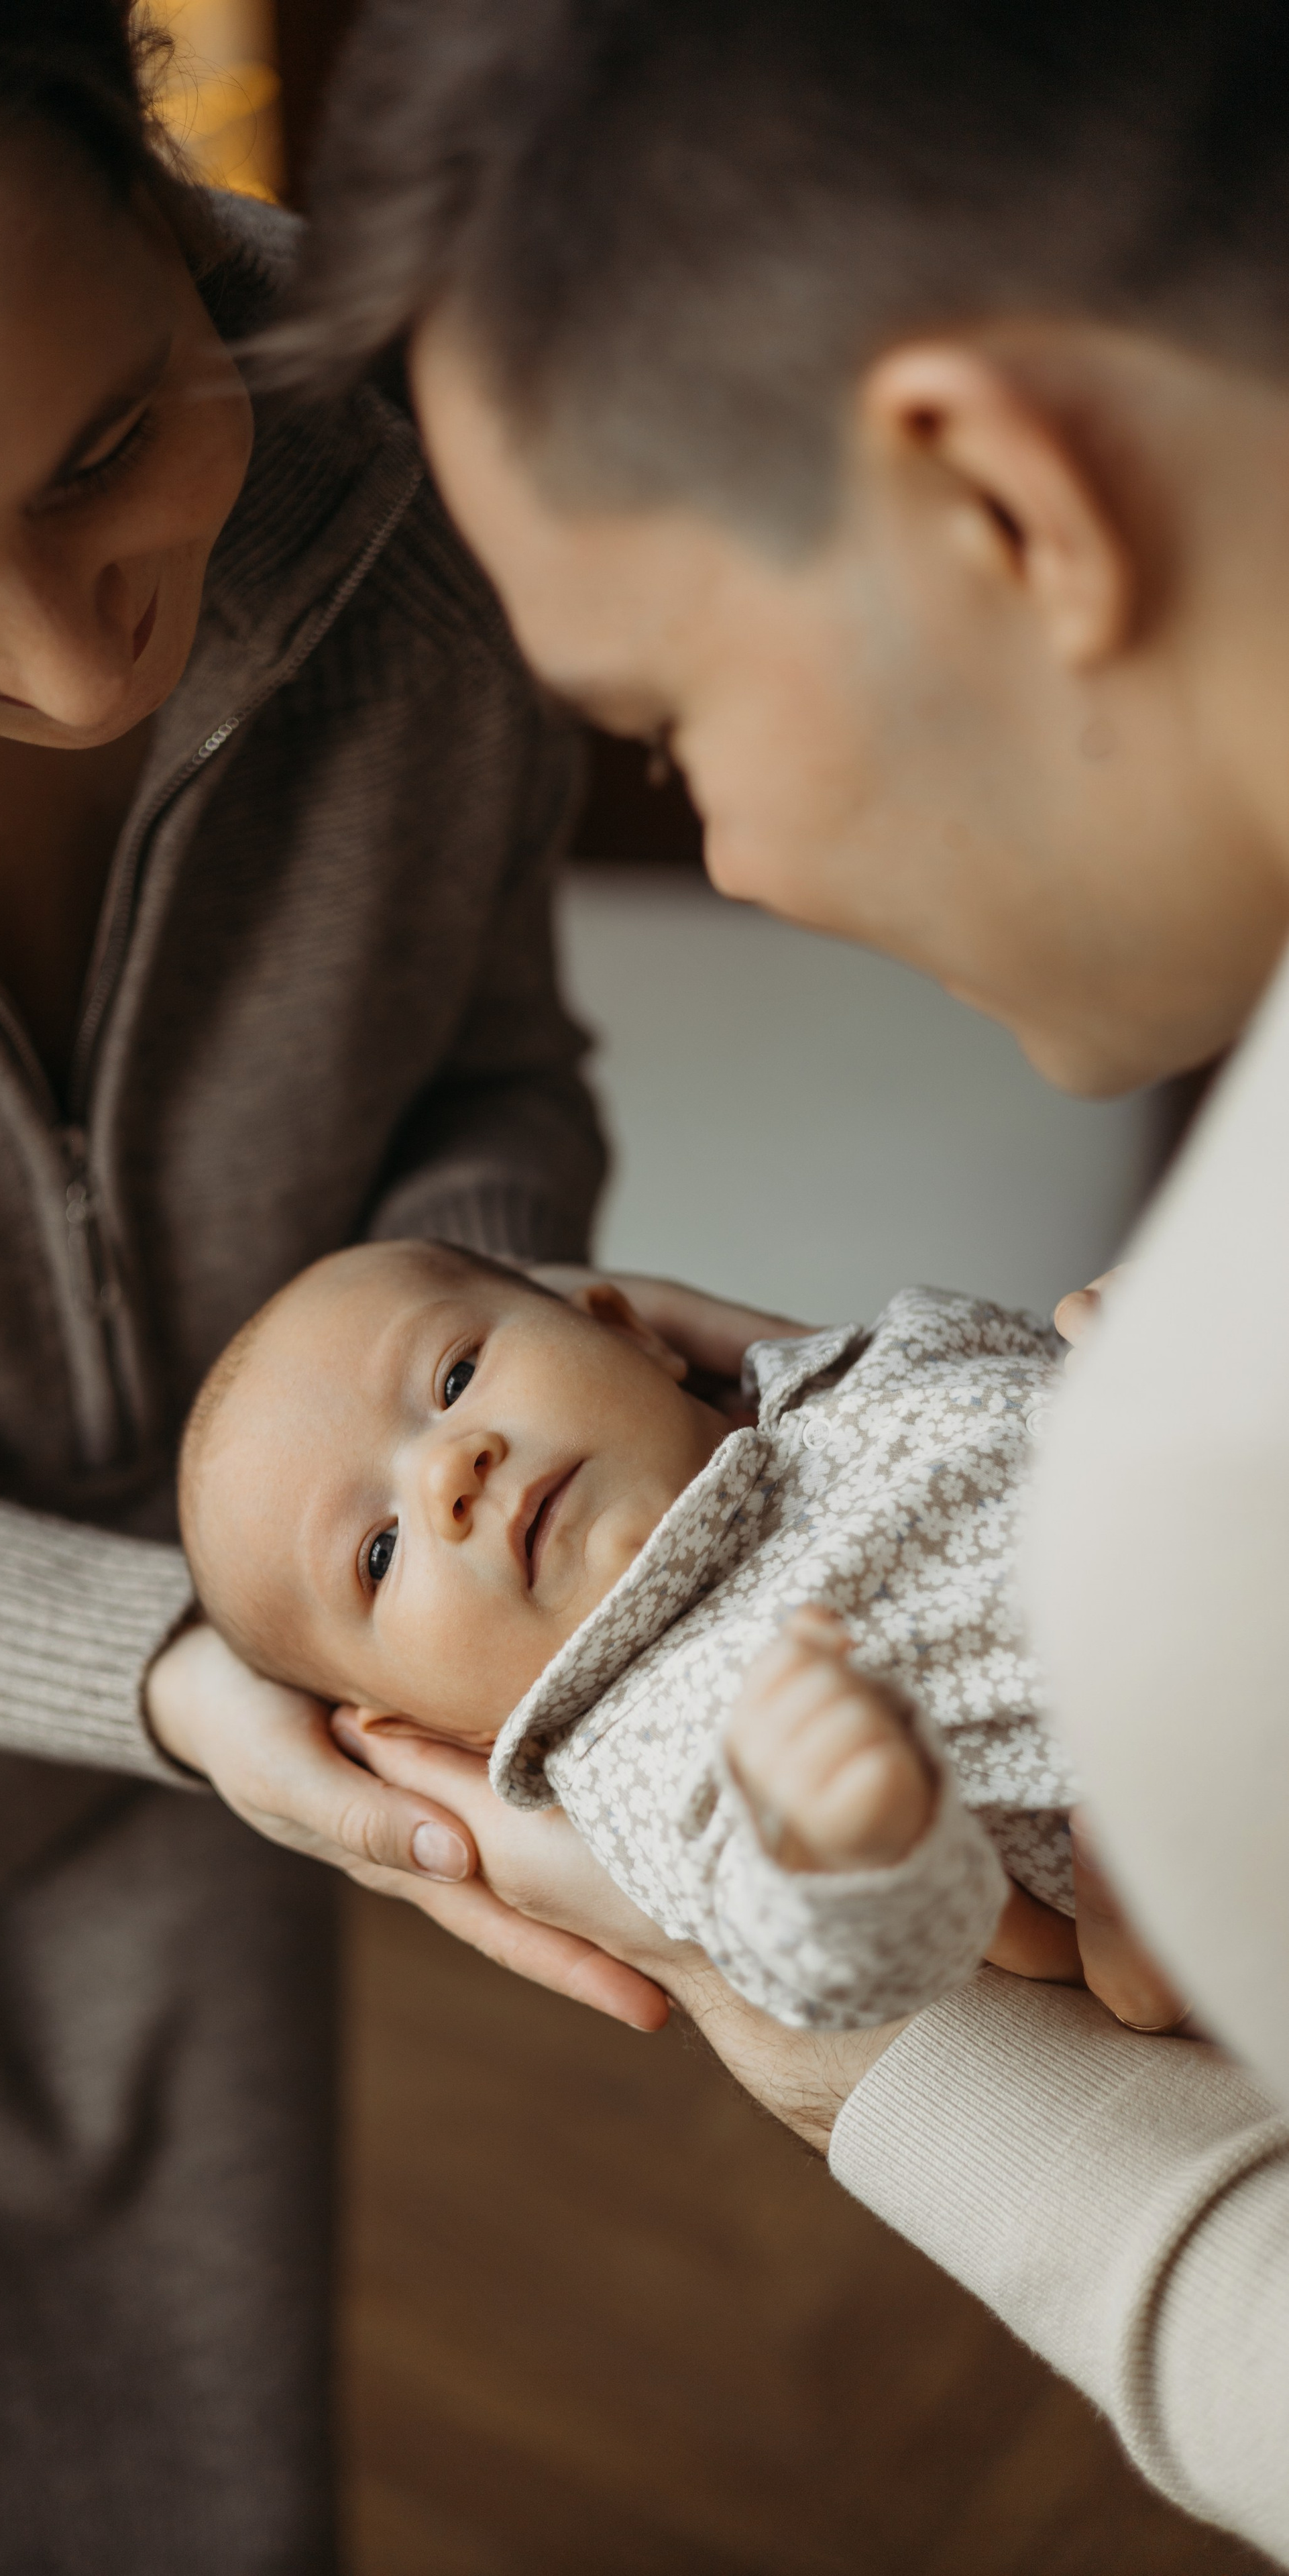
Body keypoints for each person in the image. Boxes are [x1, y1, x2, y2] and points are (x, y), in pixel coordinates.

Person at [0, 0, 688, 2561]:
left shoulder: (400, 428)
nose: (89, 667)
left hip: (251, 1734)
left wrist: (458, 1399)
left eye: (106, 446)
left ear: (162, 180)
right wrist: (152, 1663)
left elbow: (485, 1067)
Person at [262, 0, 1289, 2558]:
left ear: (999, 502)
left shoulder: (1212, 1488)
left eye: (664, 717)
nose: (722, 856)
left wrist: (876, 2089)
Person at [179, 1238, 1092, 2029]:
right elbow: (801, 1956)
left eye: (455, 1379)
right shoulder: (659, 1752)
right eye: (379, 1554)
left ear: (628, 1330)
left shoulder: (873, 1354)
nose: (449, 1472)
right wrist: (842, 1855)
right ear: (429, 1731)